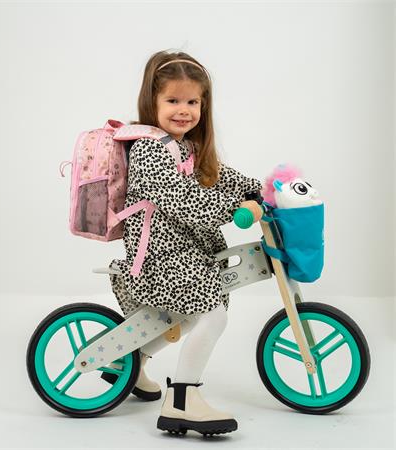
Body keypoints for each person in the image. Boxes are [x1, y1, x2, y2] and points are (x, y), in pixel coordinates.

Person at [109, 50, 262, 436]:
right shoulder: (149, 149)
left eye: (192, 102)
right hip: (158, 257)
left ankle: (129, 361)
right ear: (152, 102)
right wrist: (237, 211)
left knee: (185, 315)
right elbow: (183, 200)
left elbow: (221, 175)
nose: (184, 110)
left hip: (184, 251)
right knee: (212, 314)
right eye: (173, 100)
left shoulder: (186, 147)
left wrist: (262, 191)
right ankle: (181, 401)